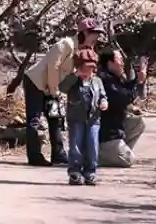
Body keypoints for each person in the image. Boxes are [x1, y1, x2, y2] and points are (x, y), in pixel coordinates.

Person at [22, 18, 107, 166]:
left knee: (54, 118)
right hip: (36, 82)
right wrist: (55, 91)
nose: (97, 37)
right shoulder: (66, 44)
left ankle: (59, 155)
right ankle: (34, 156)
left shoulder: (84, 51)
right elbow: (53, 67)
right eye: (95, 33)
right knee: (34, 119)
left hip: (53, 88)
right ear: (85, 32)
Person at [59, 51, 107, 185]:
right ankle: (75, 172)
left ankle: (90, 172)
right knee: (75, 145)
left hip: (93, 119)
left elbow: (103, 95)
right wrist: (74, 76)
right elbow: (62, 88)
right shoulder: (73, 80)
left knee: (92, 145)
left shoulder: (97, 81)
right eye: (86, 67)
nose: (89, 71)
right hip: (76, 118)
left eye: (91, 68)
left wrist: (104, 102)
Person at [97, 50, 147, 168]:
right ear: (110, 62)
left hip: (115, 129)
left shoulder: (114, 78)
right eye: (120, 60)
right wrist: (138, 83)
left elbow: (125, 90)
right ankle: (97, 155)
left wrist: (137, 80)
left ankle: (117, 152)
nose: (123, 63)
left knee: (138, 123)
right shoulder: (104, 79)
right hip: (105, 136)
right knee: (129, 160)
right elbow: (123, 97)